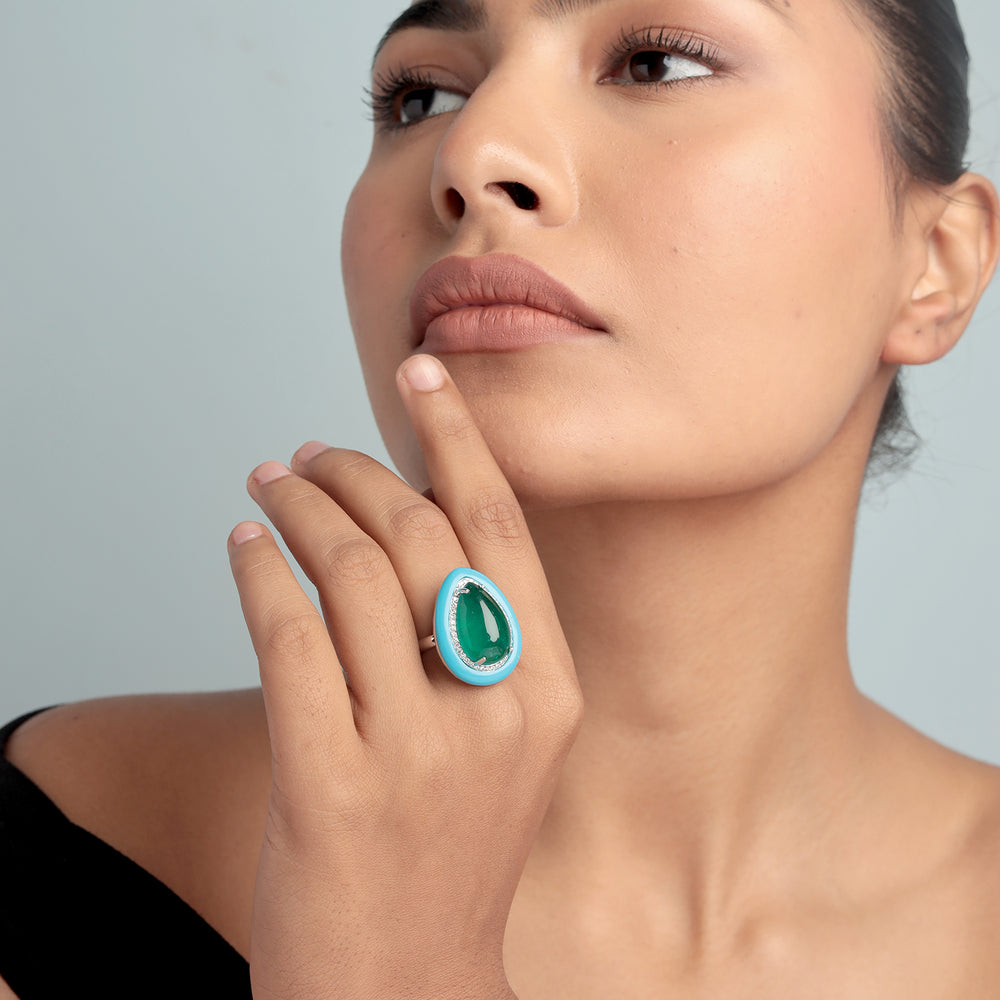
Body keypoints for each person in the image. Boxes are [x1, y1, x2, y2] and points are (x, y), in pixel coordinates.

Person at [2, 0, 998, 996]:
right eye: (422, 96)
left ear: (936, 265)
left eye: (655, 64)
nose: (470, 153)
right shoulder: (60, 834)